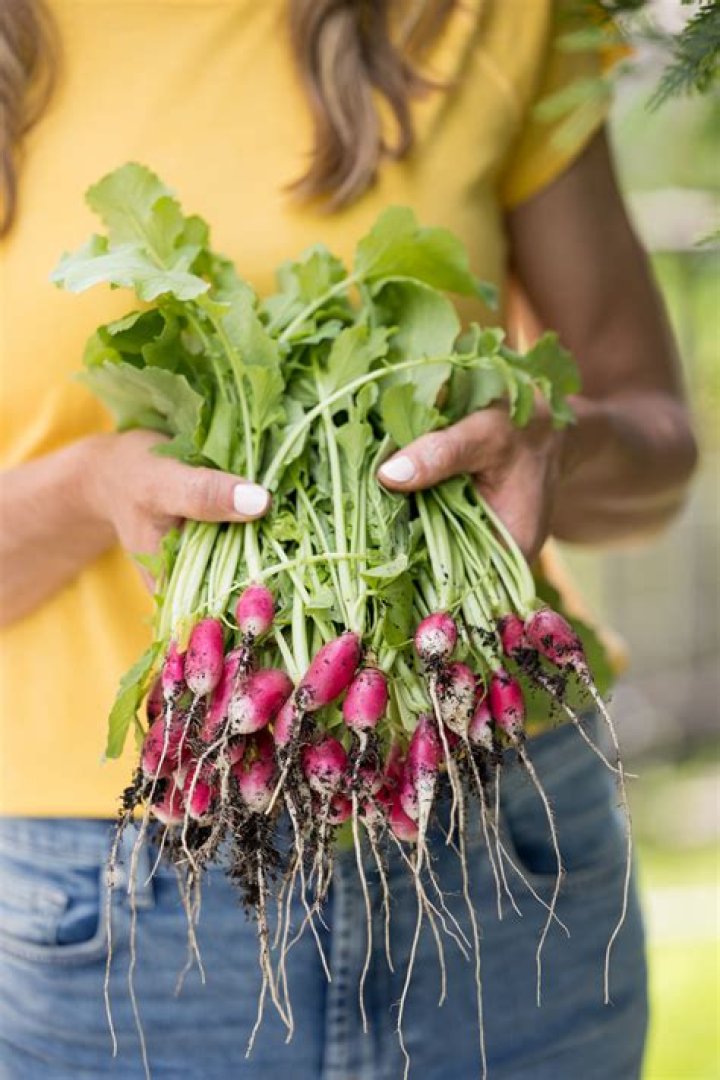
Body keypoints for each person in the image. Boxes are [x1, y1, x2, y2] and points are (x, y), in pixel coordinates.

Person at [0, 1, 697, 1077]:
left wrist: (555, 444)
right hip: (118, 901)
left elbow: (657, 451)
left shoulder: (487, 16)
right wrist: (89, 487)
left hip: (504, 830)